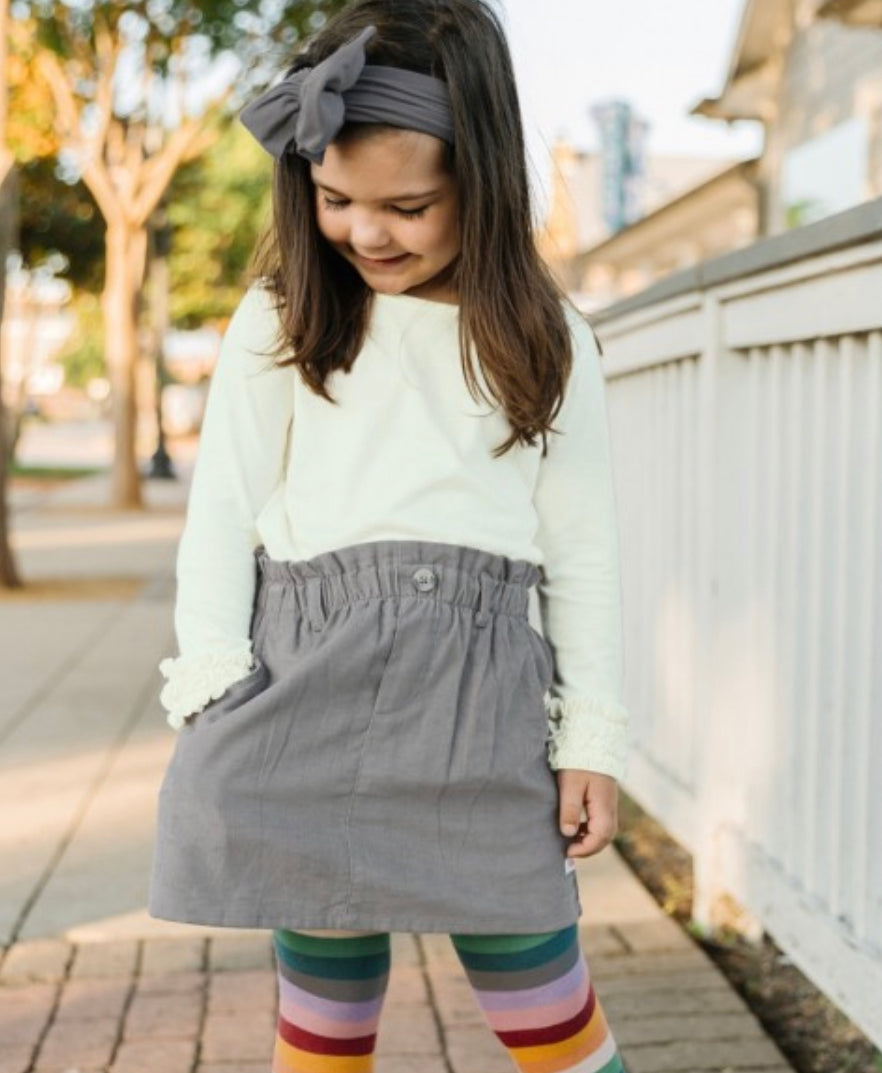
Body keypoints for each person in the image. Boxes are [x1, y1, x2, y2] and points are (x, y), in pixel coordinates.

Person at [148, 2, 630, 1071]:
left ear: (483, 185)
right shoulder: (281, 320)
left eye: (409, 206)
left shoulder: (549, 342)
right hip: (301, 692)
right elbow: (221, 509)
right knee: (320, 1023)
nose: (368, 232)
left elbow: (584, 548)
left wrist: (590, 737)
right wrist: (214, 682)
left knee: (552, 1020)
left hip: (483, 713)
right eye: (335, 200)